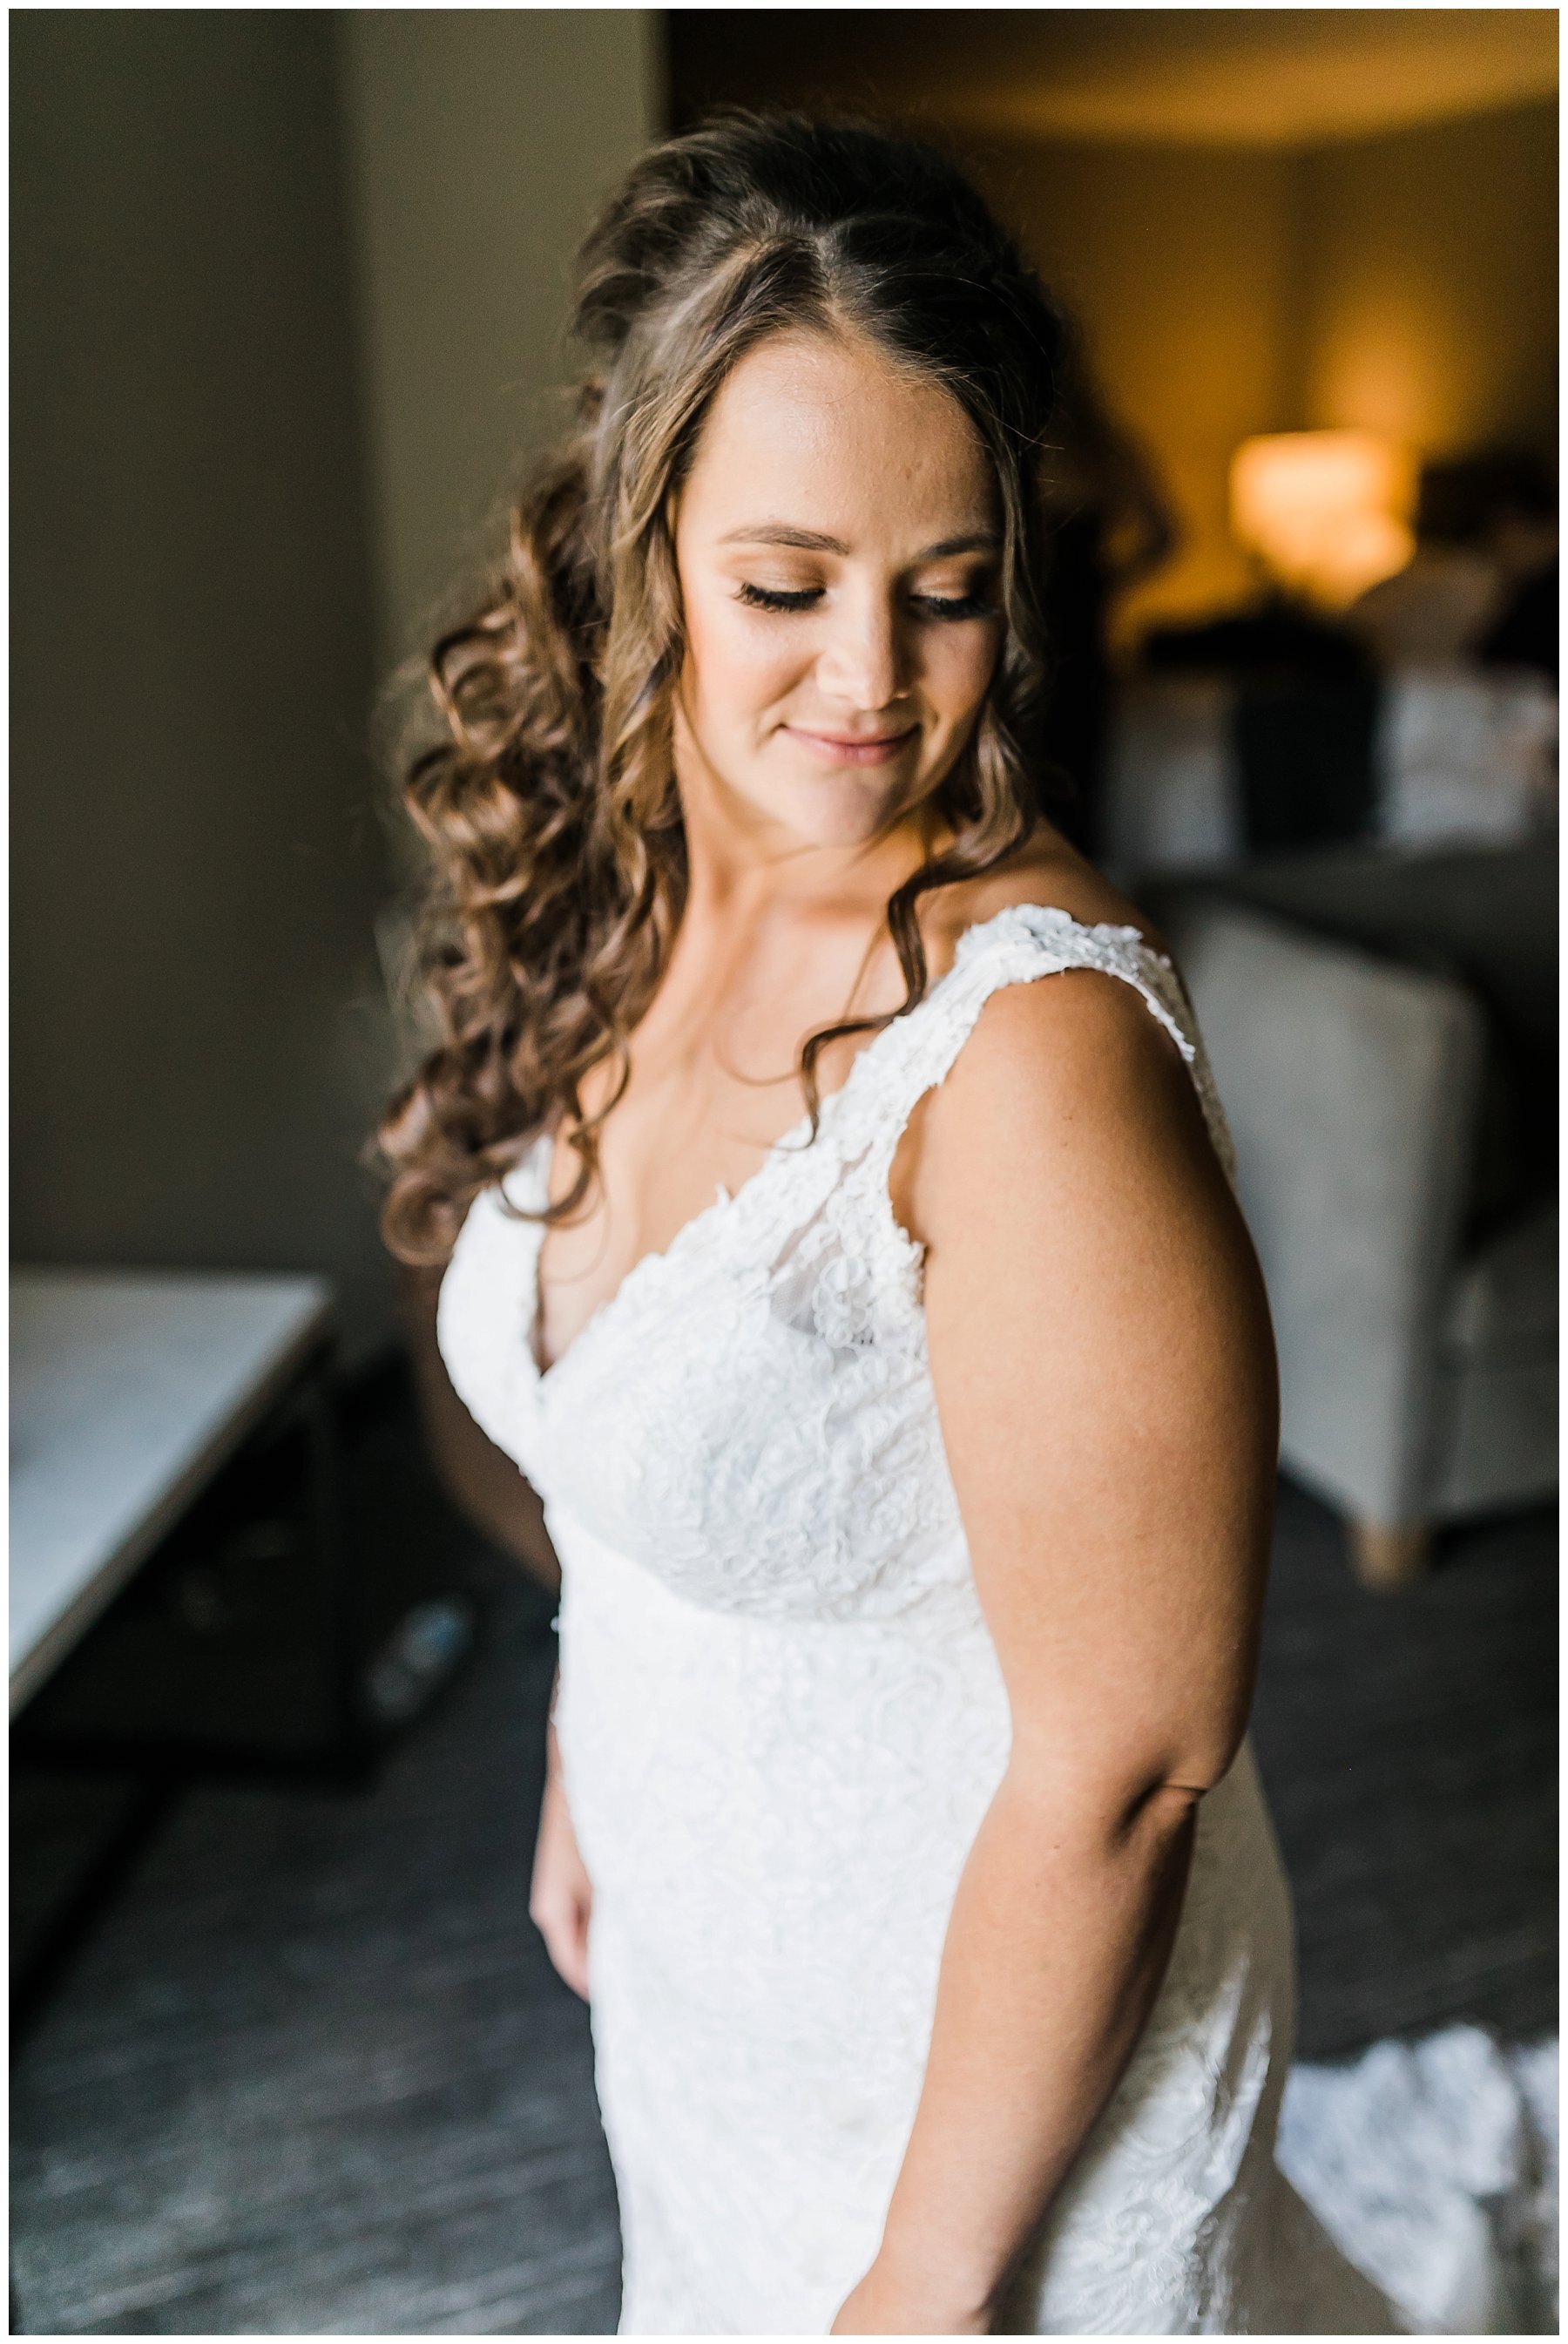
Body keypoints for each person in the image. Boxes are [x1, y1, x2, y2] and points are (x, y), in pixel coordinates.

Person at [378, 114, 1402, 2334]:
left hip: (1003, 2085)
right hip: (716, 1983)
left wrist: (931, 2283)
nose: (872, 678)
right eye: (786, 584)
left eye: (947, 590)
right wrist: (596, 1738)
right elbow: (655, 1439)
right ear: (636, 549)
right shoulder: (624, 892)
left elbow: (1132, 1761)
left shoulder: (1024, 1053)